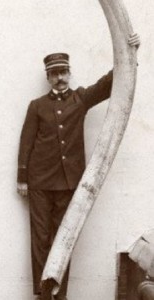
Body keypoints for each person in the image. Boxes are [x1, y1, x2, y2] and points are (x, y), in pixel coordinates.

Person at [17, 33, 140, 300]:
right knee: (39, 239)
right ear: (48, 77)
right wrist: (23, 179)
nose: (60, 78)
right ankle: (41, 293)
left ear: (70, 73)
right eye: (54, 74)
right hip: (39, 182)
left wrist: (131, 54)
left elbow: (109, 84)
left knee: (64, 239)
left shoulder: (81, 99)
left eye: (63, 72)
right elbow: (26, 142)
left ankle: (59, 292)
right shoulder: (37, 106)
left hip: (70, 182)